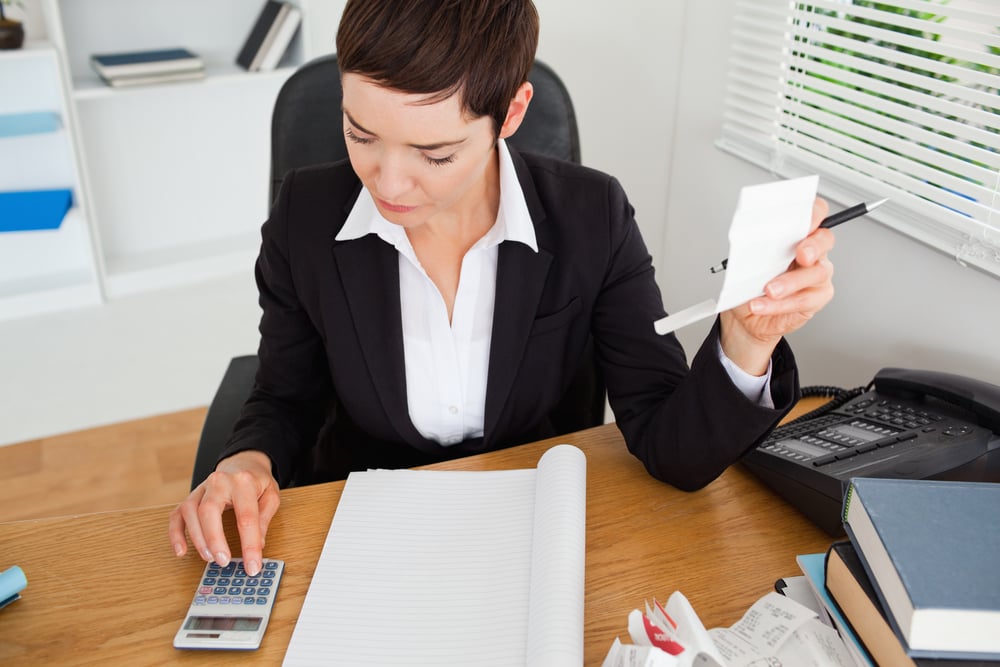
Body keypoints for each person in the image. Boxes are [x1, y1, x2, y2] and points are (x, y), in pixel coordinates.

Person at [169, 0, 835, 577]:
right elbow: (285, 394)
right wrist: (248, 462)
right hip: (365, 534)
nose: (389, 183)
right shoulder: (305, 216)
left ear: (511, 112)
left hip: (535, 533)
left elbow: (675, 451)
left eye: (435, 155)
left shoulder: (590, 216)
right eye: (360, 133)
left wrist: (749, 338)